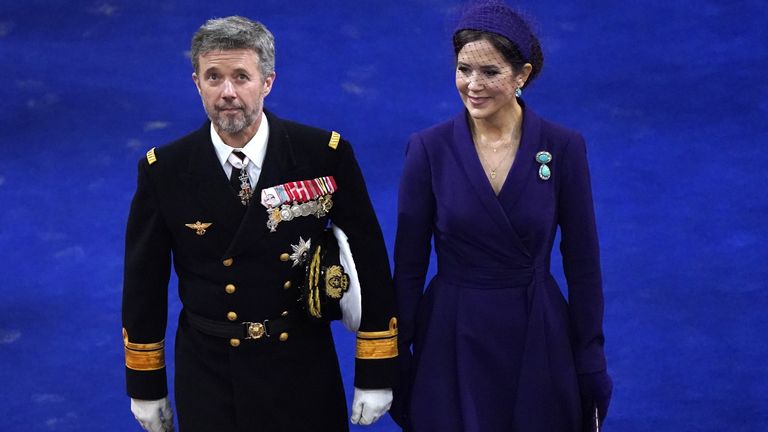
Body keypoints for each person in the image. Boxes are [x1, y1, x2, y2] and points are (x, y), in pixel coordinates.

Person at [122, 16, 397, 432]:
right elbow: (144, 282)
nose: (227, 92)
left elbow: (368, 259)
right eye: (213, 77)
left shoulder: (322, 154)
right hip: (210, 374)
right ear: (196, 82)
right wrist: (146, 385)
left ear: (267, 82)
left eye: (241, 76)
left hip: (302, 367)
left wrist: (374, 370)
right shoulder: (165, 171)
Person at [391, 2, 612, 431]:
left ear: (522, 75)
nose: (472, 85)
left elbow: (583, 265)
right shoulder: (427, 149)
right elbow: (409, 269)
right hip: (451, 339)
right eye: (463, 69)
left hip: (537, 336)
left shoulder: (564, 147)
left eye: (489, 72)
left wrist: (590, 359)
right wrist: (396, 355)